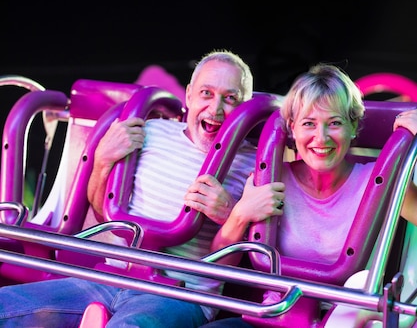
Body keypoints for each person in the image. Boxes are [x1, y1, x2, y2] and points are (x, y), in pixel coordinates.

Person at [0, 49, 258, 327]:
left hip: (179, 294)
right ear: (189, 95)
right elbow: (103, 212)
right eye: (206, 93)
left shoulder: (253, 164)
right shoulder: (152, 132)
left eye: (230, 98)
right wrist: (102, 161)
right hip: (110, 278)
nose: (216, 109)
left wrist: (231, 214)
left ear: (245, 106)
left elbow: (252, 259)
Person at [202, 63, 417, 328]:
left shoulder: (381, 181)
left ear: (353, 126)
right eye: (309, 123)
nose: (321, 137)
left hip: (346, 321)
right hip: (273, 317)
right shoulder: (268, 177)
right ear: (292, 129)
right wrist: (240, 215)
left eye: (335, 123)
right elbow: (219, 268)